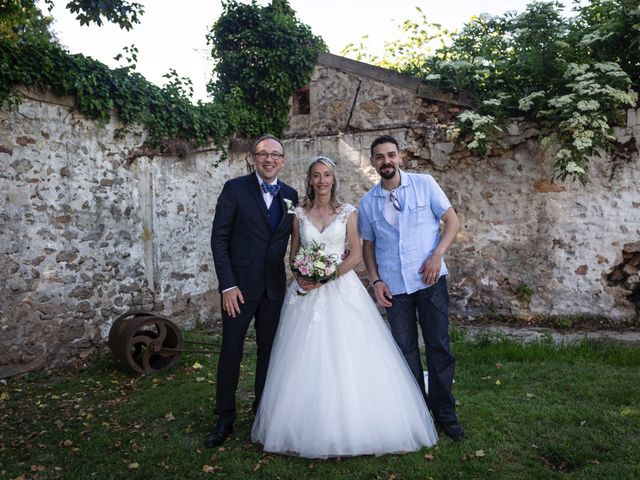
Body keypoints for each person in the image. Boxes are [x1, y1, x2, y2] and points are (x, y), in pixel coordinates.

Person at [251, 156, 438, 458]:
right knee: (303, 355)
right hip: (305, 291)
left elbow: (355, 256)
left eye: (327, 175)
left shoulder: (348, 212)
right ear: (309, 180)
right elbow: (294, 253)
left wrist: (326, 277)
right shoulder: (298, 213)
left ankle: (357, 422)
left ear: (334, 179)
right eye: (316, 175)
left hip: (341, 288)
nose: (322, 180)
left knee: (350, 353)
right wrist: (301, 274)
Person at [358, 134, 464, 441]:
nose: (386, 161)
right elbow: (368, 246)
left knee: (438, 347)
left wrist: (437, 255)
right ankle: (417, 414)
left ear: (400, 156)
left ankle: (445, 413)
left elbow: (452, 222)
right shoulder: (368, 203)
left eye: (391, 154)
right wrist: (375, 280)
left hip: (430, 281)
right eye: (379, 157)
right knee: (405, 353)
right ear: (373, 162)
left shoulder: (425, 184)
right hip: (395, 288)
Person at [207, 134, 299, 448]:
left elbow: (295, 241)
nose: (269, 159)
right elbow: (219, 240)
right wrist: (227, 285)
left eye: (275, 154)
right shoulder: (234, 190)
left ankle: (262, 413)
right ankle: (224, 418)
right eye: (263, 154)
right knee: (231, 351)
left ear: (283, 160)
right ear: (253, 158)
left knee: (268, 354)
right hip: (239, 289)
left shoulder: (291, 195)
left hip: (274, 287)